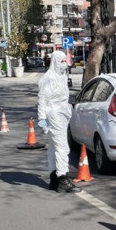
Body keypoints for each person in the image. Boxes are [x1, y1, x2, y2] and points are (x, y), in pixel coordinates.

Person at [37, 50, 81, 193]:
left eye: (65, 61)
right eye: (61, 61)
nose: (64, 64)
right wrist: (42, 118)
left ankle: (54, 178)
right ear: (55, 61)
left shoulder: (61, 76)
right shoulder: (48, 78)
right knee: (62, 147)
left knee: (54, 146)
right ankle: (63, 178)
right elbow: (42, 99)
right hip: (54, 113)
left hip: (62, 113)